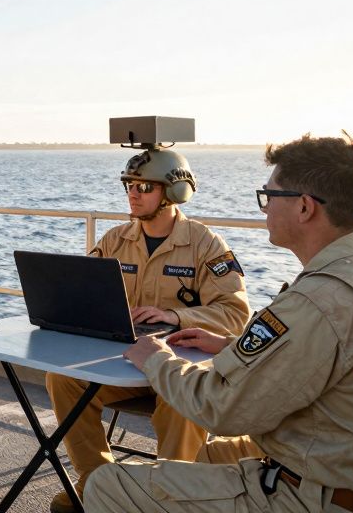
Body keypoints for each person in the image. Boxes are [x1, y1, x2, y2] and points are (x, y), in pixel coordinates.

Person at [85, 134, 353, 512]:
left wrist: (155, 357)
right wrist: (229, 345)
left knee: (108, 484)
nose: (264, 209)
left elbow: (222, 409)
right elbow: (325, 356)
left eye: (269, 196)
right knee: (197, 458)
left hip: (312, 493)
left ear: (304, 207)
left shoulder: (316, 300)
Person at [44, 147, 251, 513]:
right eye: (129, 185)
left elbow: (235, 314)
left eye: (144, 187)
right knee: (62, 380)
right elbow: (84, 292)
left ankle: (170, 496)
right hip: (125, 361)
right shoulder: (115, 240)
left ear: (173, 192)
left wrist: (174, 316)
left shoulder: (206, 245)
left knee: (182, 399)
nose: (133, 194)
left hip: (179, 366)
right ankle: (96, 483)